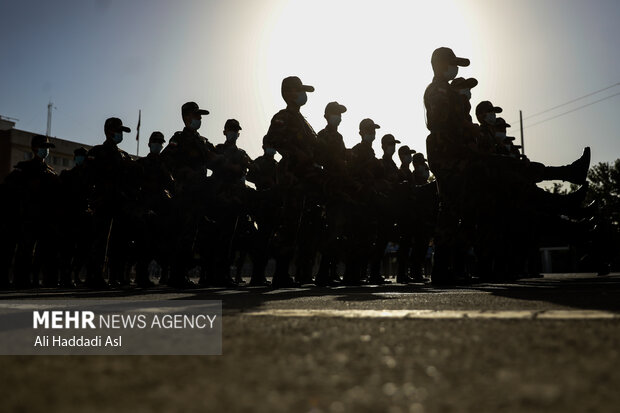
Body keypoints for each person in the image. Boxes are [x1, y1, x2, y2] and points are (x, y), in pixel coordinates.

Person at [85, 118, 139, 288]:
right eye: (118, 130)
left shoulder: (124, 155)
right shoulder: (98, 152)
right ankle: (95, 277)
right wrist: (93, 199)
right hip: (104, 202)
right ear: (109, 131)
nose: (120, 134)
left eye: (121, 131)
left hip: (121, 204)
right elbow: (88, 177)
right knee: (101, 241)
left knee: (120, 242)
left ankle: (117, 277)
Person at [4, 135, 62, 288]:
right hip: (28, 217)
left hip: (46, 218)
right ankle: (20, 280)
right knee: (25, 250)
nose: (45, 151)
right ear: (34, 148)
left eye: (47, 148)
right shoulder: (24, 168)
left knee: (44, 252)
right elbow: (10, 191)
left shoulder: (51, 172)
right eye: (43, 147)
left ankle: (38, 280)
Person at [135, 131, 175, 287]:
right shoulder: (142, 164)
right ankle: (142, 277)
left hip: (163, 209)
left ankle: (166, 275)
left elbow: (171, 185)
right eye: (156, 142)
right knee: (145, 245)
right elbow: (137, 186)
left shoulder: (165, 165)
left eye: (160, 142)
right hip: (147, 208)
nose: (158, 144)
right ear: (149, 144)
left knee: (164, 244)